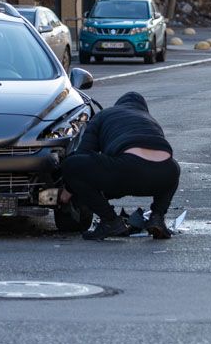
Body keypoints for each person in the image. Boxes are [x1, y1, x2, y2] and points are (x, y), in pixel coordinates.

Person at [59, 92, 180, 241]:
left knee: (72, 165)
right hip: (166, 174)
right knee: (173, 167)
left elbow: (84, 153)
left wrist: (69, 187)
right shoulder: (149, 119)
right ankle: (157, 218)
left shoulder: (104, 115)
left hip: (126, 170)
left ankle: (110, 221)